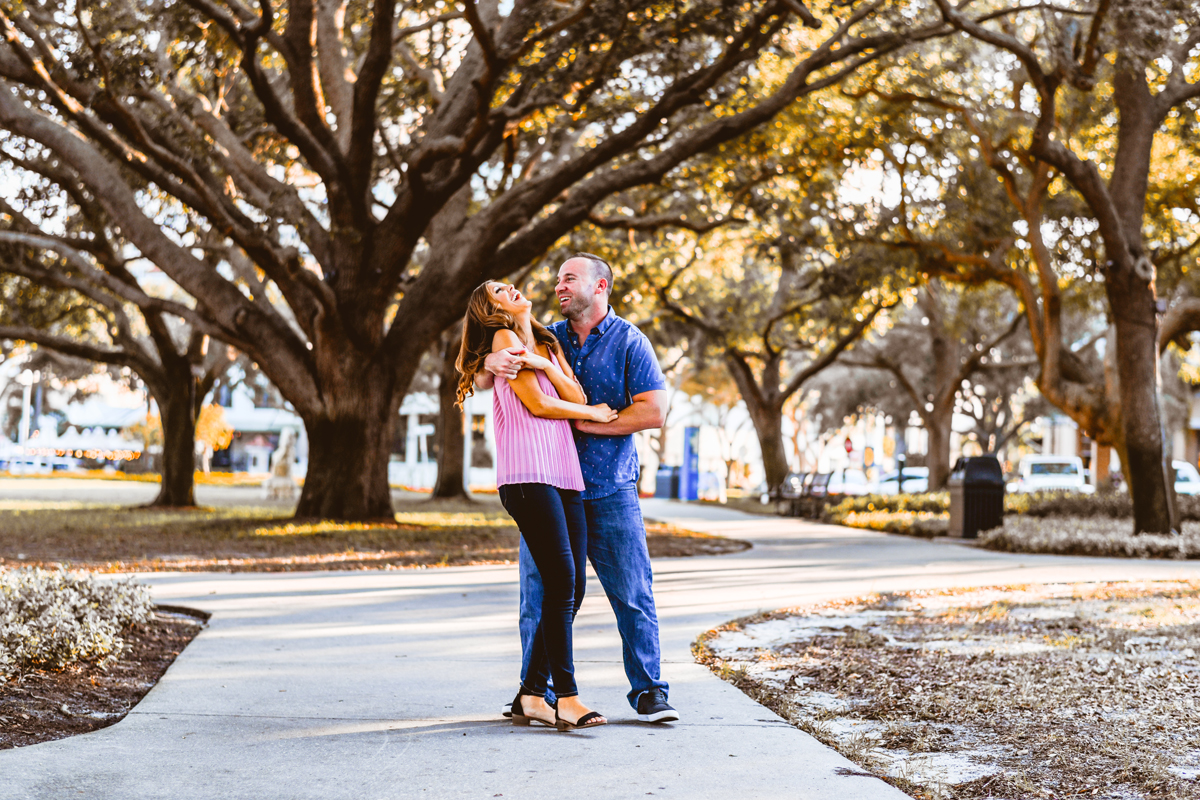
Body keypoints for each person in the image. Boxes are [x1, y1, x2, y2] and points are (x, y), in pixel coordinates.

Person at [478, 253, 679, 723]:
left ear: (601, 286)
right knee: (539, 596)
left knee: (632, 594)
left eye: (569, 278)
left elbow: (652, 412)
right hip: (549, 483)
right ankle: (535, 692)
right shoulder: (544, 335)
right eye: (558, 279)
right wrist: (490, 357)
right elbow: (485, 368)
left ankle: (650, 691)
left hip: (610, 487)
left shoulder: (631, 341)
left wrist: (587, 423)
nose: (559, 285)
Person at [456, 279, 617, 731]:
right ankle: (566, 697)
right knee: (561, 580)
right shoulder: (502, 339)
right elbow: (539, 404)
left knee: (574, 588)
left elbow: (576, 394)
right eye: (499, 290)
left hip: (563, 472)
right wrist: (595, 415)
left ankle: (531, 693)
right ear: (491, 309)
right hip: (527, 474)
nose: (512, 288)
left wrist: (536, 359)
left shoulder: (542, 341)